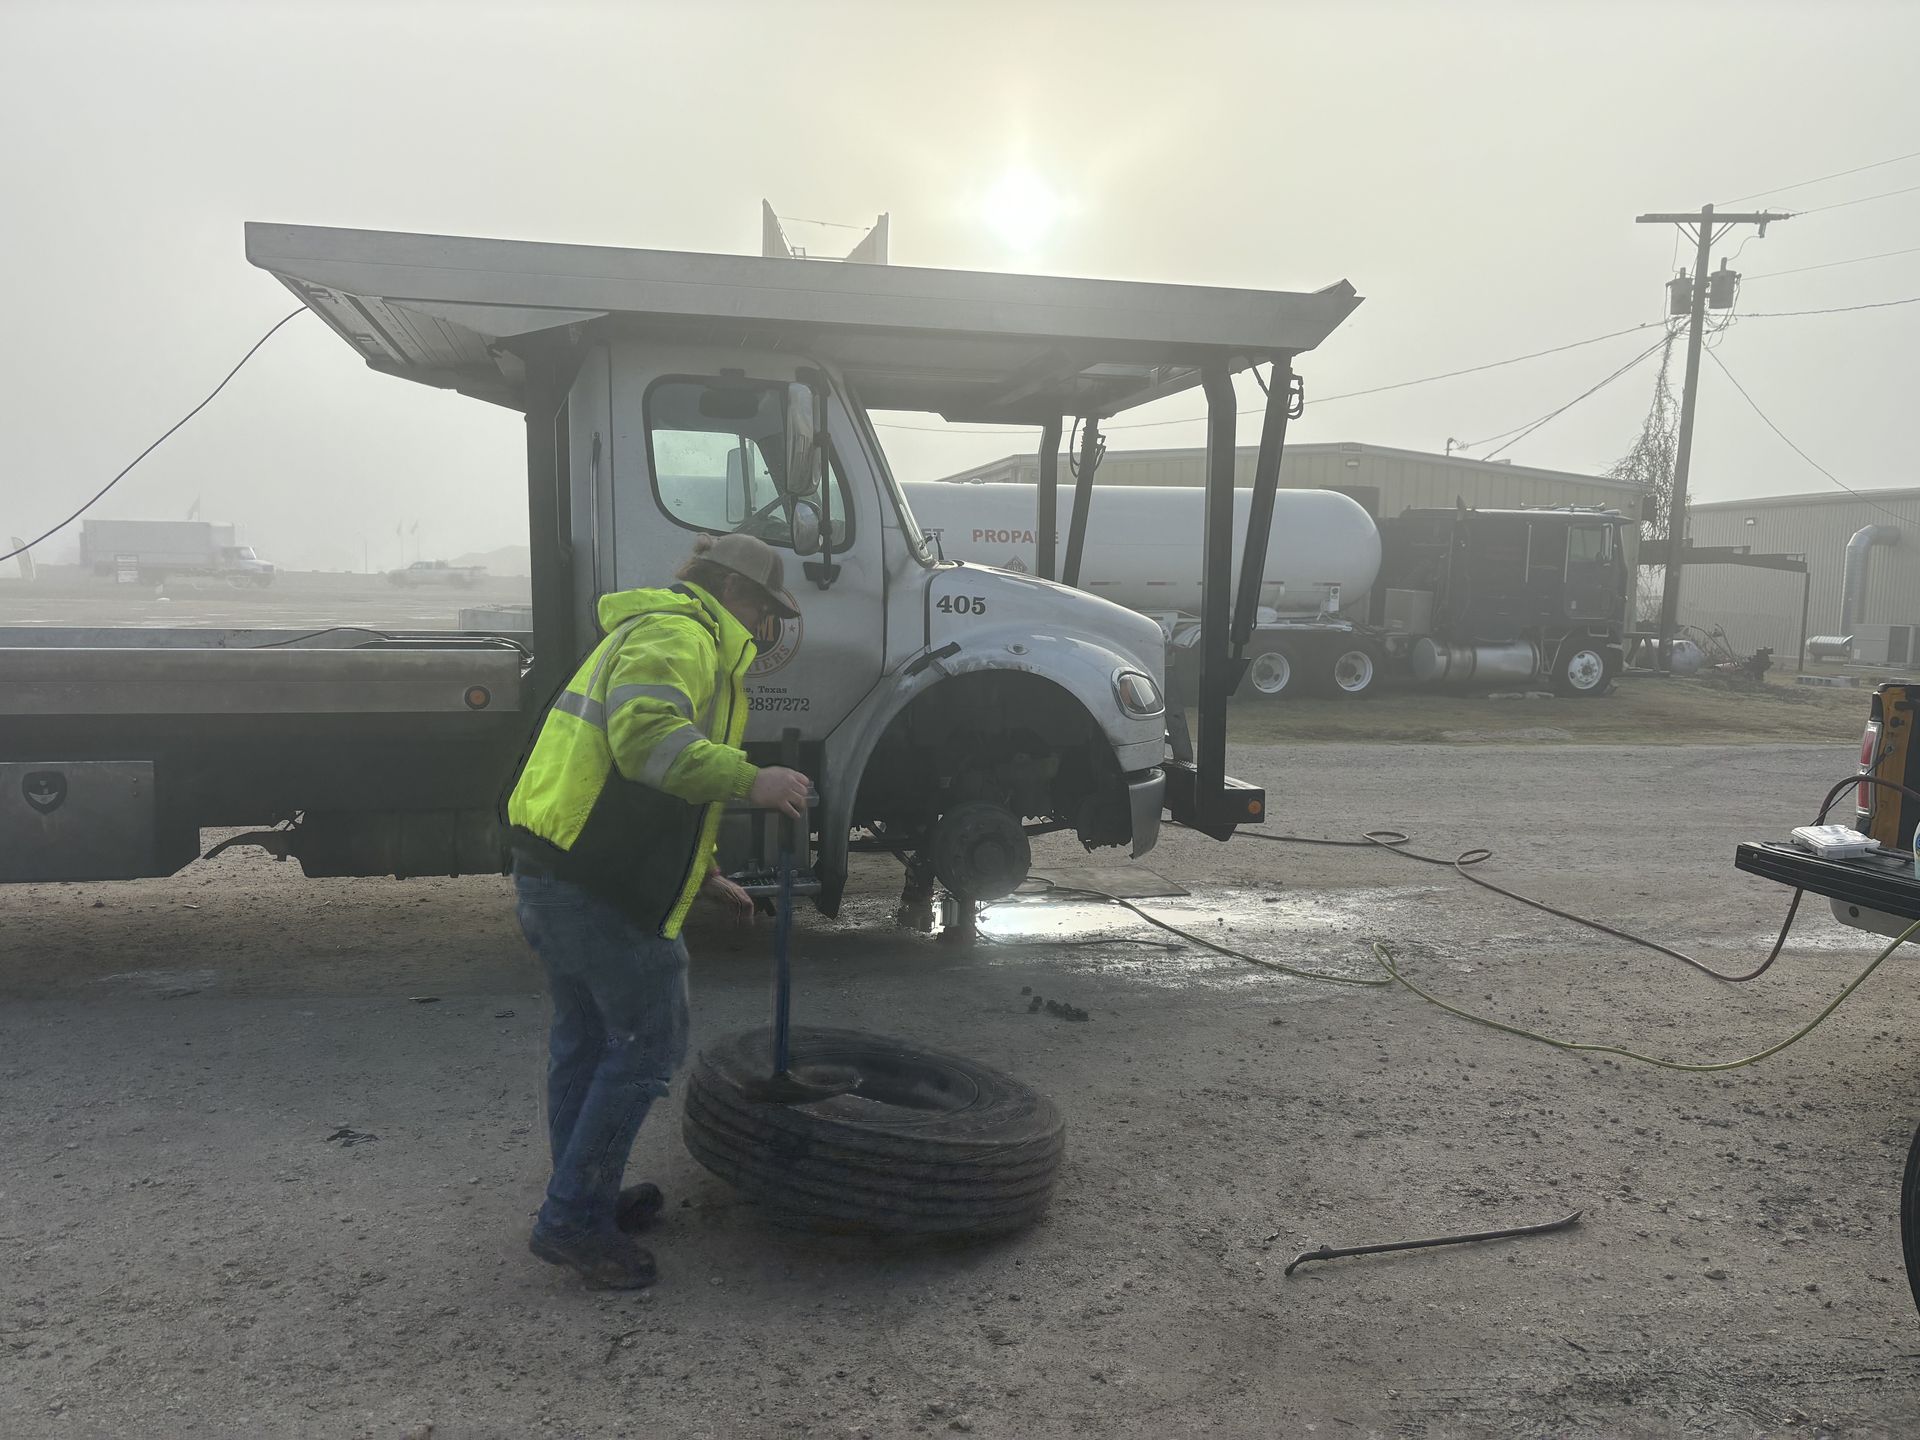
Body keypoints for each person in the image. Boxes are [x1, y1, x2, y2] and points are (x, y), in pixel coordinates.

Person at [505, 532, 811, 1289]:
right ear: (734, 593)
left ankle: (584, 1197)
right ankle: (573, 1221)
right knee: (648, 1045)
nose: (766, 628)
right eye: (765, 612)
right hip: (594, 884)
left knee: (585, 1042)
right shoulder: (682, 635)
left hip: (561, 869)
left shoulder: (660, 632)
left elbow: (632, 780)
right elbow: (647, 743)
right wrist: (753, 779)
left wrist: (702, 870)